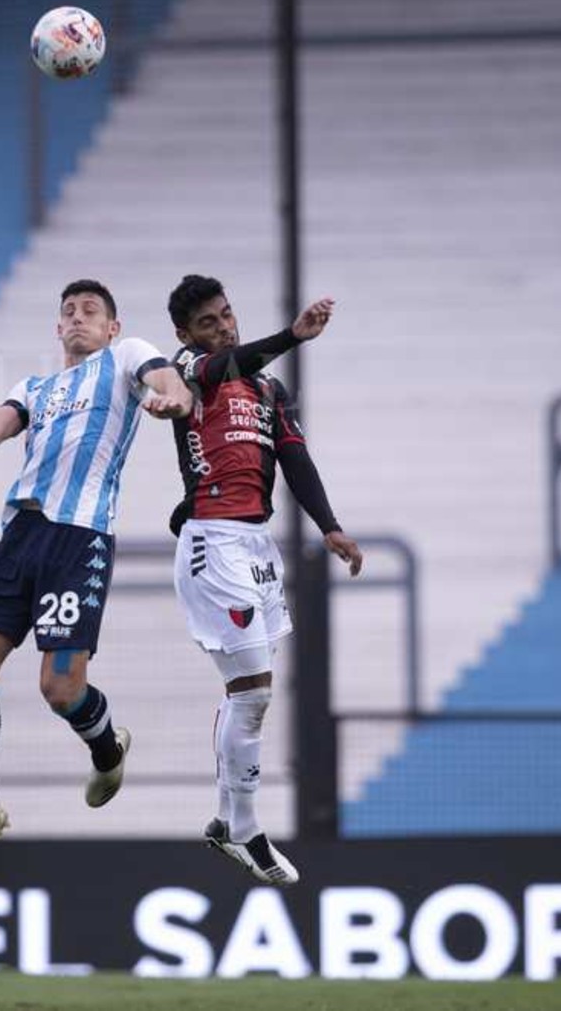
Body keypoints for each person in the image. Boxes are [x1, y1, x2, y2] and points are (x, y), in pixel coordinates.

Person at [0, 278, 193, 880]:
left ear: (112, 327)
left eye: (90, 310)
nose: (77, 317)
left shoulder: (126, 356)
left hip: (78, 536)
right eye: (67, 311)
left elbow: (167, 379)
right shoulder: (36, 388)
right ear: (57, 328)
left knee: (60, 690)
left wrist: (172, 397)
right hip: (21, 536)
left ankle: (107, 748)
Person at [164, 274, 363, 887]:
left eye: (226, 315)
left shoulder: (269, 390)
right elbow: (222, 364)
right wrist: (292, 335)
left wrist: (329, 527)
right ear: (186, 335)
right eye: (208, 322)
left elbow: (295, 458)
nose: (223, 326)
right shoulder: (187, 368)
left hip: (256, 547)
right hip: (213, 547)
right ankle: (244, 828)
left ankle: (230, 821)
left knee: (248, 695)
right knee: (253, 692)